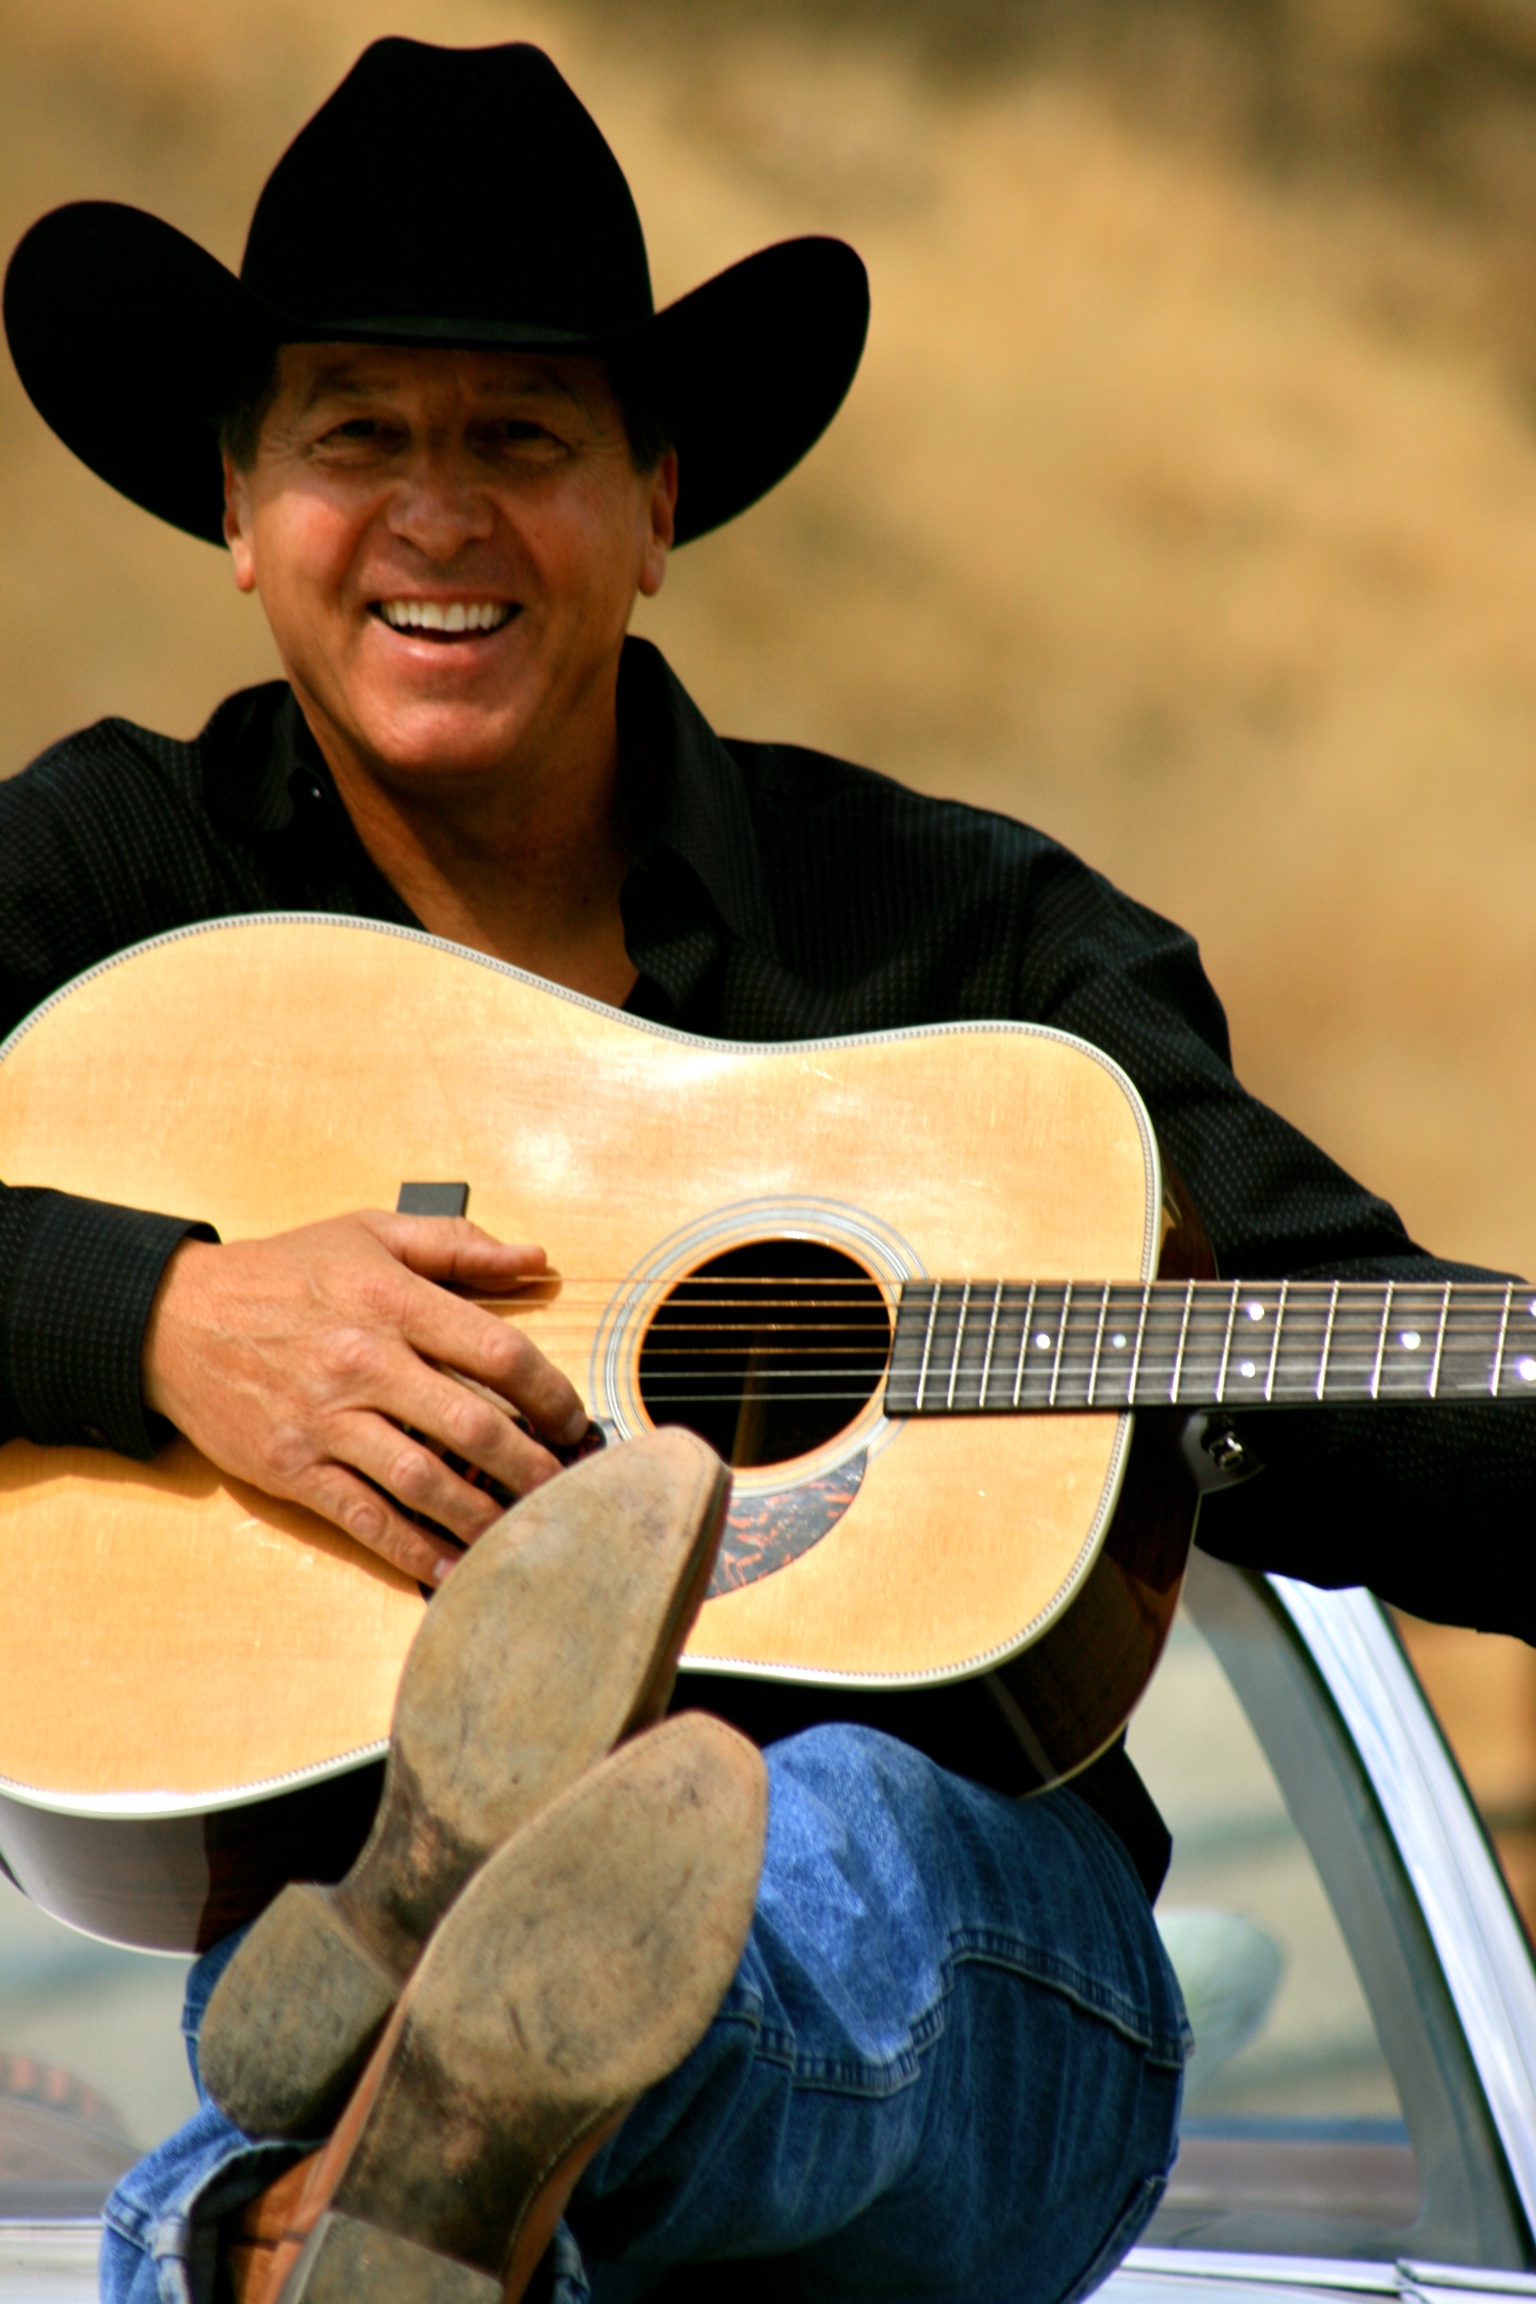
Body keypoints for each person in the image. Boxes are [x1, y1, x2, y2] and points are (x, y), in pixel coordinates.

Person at [1, 34, 1533, 2304]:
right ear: (238, 511)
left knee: (823, 1830)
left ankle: (423, 2078)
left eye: (521, 440)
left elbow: (1369, 1358)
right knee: (401, 2155)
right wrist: (153, 1313)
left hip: (972, 1999)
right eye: (357, 437)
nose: (437, 513)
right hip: (345, 1956)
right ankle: (375, 2165)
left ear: (657, 506)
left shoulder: (966, 953)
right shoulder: (118, 882)